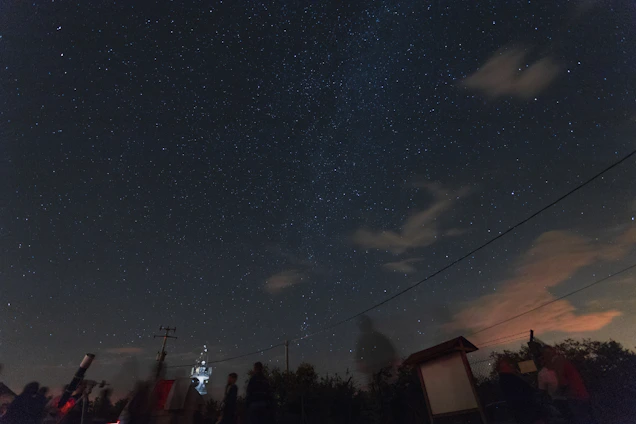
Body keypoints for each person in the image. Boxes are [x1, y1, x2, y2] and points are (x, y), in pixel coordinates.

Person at [543, 346, 596, 424]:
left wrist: (552, 395)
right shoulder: (559, 362)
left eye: (546, 354)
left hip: (575, 398)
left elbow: (562, 384)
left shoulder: (557, 362)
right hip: (580, 397)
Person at [497, 359, 545, 424]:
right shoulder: (509, 379)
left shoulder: (505, 380)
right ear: (503, 368)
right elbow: (525, 391)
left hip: (524, 412)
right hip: (527, 411)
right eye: (508, 365)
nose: (511, 366)